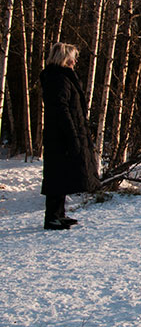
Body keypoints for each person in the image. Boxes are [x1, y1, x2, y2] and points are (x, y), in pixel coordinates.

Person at [39, 42, 100, 230]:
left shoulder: (60, 77)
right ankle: (52, 218)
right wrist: (71, 135)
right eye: (73, 58)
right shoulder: (58, 79)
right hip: (61, 134)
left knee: (62, 173)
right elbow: (61, 109)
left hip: (63, 133)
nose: (75, 62)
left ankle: (59, 214)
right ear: (65, 58)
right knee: (57, 174)